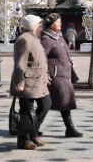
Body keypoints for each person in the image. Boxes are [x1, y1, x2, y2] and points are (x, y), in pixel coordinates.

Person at [10, 15, 50, 150]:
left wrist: (46, 75)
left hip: (39, 81)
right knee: (26, 111)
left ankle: (32, 132)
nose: (41, 27)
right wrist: (19, 81)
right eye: (39, 25)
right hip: (27, 82)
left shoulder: (34, 39)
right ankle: (23, 140)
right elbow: (19, 63)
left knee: (46, 104)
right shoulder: (24, 40)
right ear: (32, 26)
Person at [40, 13, 82, 138]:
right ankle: (69, 128)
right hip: (56, 76)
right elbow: (42, 57)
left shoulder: (58, 37)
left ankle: (35, 127)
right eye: (58, 22)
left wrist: (70, 60)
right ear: (51, 25)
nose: (60, 24)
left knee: (60, 102)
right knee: (59, 102)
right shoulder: (46, 39)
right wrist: (45, 73)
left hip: (65, 74)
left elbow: (64, 51)